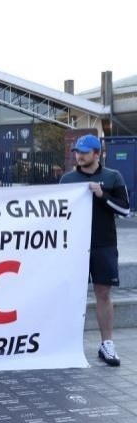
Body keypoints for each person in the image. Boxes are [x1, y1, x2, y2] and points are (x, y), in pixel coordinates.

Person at [60, 134, 130, 366]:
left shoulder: (113, 176)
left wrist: (101, 194)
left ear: (97, 153)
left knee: (103, 293)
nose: (79, 156)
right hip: (74, 246)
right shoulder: (67, 179)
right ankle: (67, 344)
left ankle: (107, 344)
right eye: (77, 152)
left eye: (84, 152)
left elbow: (125, 210)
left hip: (104, 244)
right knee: (71, 294)